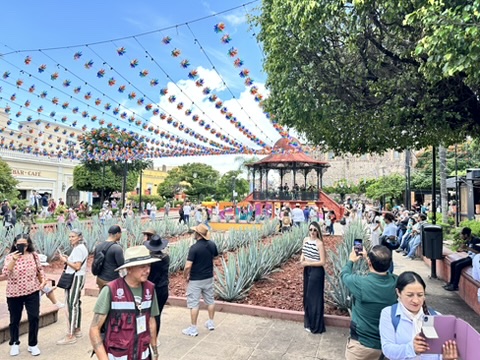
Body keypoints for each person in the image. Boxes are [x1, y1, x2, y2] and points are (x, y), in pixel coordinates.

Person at [89, 246, 160, 360]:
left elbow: (151, 321)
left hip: (143, 355)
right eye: (142, 266)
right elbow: (94, 329)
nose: (147, 270)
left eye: (149, 266)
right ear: (129, 269)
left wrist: (155, 351)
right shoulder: (111, 290)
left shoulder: (150, 289)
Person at [379, 271, 460, 360]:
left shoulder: (436, 317)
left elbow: (440, 352)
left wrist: (447, 357)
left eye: (420, 295)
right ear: (398, 292)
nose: (416, 300)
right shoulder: (389, 314)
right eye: (410, 295)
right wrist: (411, 348)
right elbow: (387, 349)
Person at [341, 245, 398, 360]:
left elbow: (344, 274)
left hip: (361, 346)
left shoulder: (360, 283)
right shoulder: (396, 282)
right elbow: (387, 274)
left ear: (369, 262)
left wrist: (351, 260)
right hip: (385, 346)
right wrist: (371, 260)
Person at [2, 234, 45, 356]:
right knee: (15, 319)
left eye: (24, 245)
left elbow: (40, 270)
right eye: (18, 244)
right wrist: (14, 260)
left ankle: (33, 344)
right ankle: (14, 343)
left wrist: (43, 281)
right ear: (15, 244)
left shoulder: (34, 255)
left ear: (28, 244)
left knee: (34, 317)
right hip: (14, 293)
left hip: (32, 291)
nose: (21, 247)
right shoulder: (10, 257)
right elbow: (5, 272)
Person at [182, 224, 218, 337]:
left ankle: (193, 328)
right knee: (210, 300)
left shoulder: (194, 248)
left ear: (198, 234)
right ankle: (211, 322)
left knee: (194, 304)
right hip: (208, 277)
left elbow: (188, 266)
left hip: (196, 279)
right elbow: (215, 257)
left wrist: (185, 275)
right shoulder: (212, 244)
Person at [56, 229, 89, 345]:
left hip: (75, 277)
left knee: (71, 304)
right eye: (69, 236)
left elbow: (77, 266)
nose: (70, 239)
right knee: (75, 303)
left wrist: (65, 261)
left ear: (79, 237)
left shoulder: (79, 249)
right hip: (78, 277)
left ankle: (70, 334)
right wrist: (68, 259)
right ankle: (77, 329)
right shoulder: (79, 248)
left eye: (73, 236)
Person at [300, 221, 326, 334]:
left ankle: (316, 326)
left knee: (313, 298)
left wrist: (308, 263)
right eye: (311, 230)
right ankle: (309, 322)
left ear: (318, 231)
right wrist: (302, 259)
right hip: (307, 270)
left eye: (315, 230)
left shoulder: (319, 243)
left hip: (316, 271)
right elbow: (303, 252)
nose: (312, 232)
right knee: (307, 296)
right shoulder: (305, 240)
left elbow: (323, 262)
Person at [144, 234, 170, 336]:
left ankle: (149, 334)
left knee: (149, 313)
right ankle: (155, 336)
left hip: (150, 288)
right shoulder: (165, 257)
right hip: (163, 288)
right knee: (157, 314)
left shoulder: (150, 260)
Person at [444, 227, 480, 291]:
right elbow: (470, 251)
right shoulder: (468, 241)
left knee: (458, 266)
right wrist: (463, 250)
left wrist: (467, 248)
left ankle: (455, 286)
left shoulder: (476, 240)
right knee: (453, 264)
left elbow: (478, 252)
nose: (461, 236)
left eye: (461, 234)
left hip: (474, 259)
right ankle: (451, 283)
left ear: (466, 235)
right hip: (469, 257)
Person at [93, 225, 125, 290]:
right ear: (117, 234)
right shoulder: (117, 248)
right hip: (112, 280)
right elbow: (121, 265)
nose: (121, 235)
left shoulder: (98, 246)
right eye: (120, 233)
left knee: (103, 298)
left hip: (100, 279)